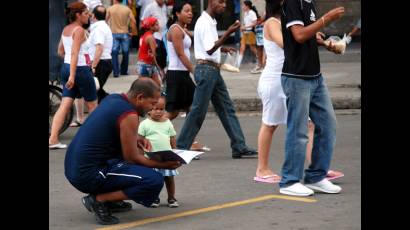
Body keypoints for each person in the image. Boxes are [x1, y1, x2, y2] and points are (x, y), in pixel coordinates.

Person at [65, 78, 181, 225]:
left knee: (127, 160)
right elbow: (132, 158)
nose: (152, 109)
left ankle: (111, 198)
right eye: (152, 103)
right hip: (88, 175)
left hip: (74, 168)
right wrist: (164, 165)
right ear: (140, 98)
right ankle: (98, 200)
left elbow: (112, 134)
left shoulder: (113, 99)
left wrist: (135, 138)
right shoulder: (129, 115)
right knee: (153, 180)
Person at [255, 0, 343, 184]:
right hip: (275, 80)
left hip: (292, 76)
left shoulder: (293, 18)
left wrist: (321, 41)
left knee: (309, 124)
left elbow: (301, 38)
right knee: (270, 124)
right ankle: (261, 169)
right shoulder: (272, 23)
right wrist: (320, 24)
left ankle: (317, 168)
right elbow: (288, 43)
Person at [278, 0, 345, 196]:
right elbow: (298, 35)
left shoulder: (309, 3)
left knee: (328, 124)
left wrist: (324, 43)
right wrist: (327, 19)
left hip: (315, 76)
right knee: (298, 132)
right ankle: (289, 181)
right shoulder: (292, 2)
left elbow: (308, 33)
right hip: (296, 77)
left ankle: (316, 176)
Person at [176, 0, 257, 159]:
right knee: (198, 111)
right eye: (220, 2)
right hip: (206, 70)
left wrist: (223, 47)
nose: (224, 5)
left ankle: (239, 146)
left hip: (212, 69)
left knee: (227, 108)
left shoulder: (210, 21)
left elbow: (211, 46)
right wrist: (227, 33)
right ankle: (181, 147)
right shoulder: (205, 21)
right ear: (211, 2)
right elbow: (209, 48)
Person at [49, 2, 98, 149]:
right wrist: (73, 75)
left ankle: (53, 139)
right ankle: (96, 140)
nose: (88, 15)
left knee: (64, 105)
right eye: (85, 13)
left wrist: (70, 71)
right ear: (78, 14)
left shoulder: (66, 29)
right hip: (79, 70)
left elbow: (60, 50)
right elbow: (75, 54)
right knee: (93, 106)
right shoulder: (79, 30)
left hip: (67, 67)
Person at [165, 1, 210, 153]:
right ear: (177, 13)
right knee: (174, 111)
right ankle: (150, 133)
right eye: (186, 11)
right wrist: (194, 70)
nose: (190, 13)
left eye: (191, 11)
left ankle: (189, 140)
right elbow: (180, 54)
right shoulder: (176, 30)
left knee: (191, 108)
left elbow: (199, 39)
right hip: (177, 74)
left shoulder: (182, 29)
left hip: (181, 74)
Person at [138, 96, 180, 208]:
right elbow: (139, 140)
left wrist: (175, 152)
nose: (158, 112)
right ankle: (154, 198)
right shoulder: (144, 124)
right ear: (149, 110)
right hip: (152, 159)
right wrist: (141, 156)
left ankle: (171, 198)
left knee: (169, 178)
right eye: (155, 109)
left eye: (161, 109)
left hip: (167, 157)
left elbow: (172, 138)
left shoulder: (167, 123)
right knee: (154, 180)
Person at [106, 0, 137, 77]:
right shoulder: (127, 9)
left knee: (114, 52)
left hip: (113, 32)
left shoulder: (110, 9)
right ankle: (124, 71)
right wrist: (132, 32)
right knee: (126, 52)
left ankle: (116, 72)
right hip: (125, 33)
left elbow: (105, 21)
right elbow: (134, 21)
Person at [141, 0, 168, 73]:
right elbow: (143, 20)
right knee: (157, 55)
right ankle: (157, 71)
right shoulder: (150, 7)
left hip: (164, 35)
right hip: (155, 35)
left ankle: (162, 72)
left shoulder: (164, 7)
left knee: (164, 55)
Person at [137, 17, 162, 86]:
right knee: (147, 87)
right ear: (151, 27)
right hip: (147, 64)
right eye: (156, 25)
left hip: (143, 63)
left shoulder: (144, 36)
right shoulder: (150, 37)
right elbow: (154, 54)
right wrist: (158, 67)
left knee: (154, 86)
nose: (159, 26)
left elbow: (139, 51)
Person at [237, 0, 259, 70]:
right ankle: (237, 65)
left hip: (250, 33)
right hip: (245, 33)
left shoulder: (252, 13)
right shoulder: (245, 13)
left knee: (253, 48)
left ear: (247, 6)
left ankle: (260, 61)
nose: (242, 7)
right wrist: (242, 27)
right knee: (242, 48)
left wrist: (245, 27)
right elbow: (245, 23)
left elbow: (255, 23)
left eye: (243, 5)